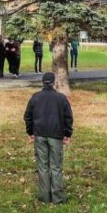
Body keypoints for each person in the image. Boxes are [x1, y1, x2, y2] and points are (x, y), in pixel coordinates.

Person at [24, 72, 74, 204]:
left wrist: (30, 132)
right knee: (56, 166)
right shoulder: (61, 98)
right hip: (56, 135)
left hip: (40, 135)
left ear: (42, 82)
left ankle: (44, 195)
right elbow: (68, 118)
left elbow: (28, 116)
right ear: (54, 83)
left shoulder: (35, 97)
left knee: (43, 166)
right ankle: (57, 196)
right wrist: (67, 134)